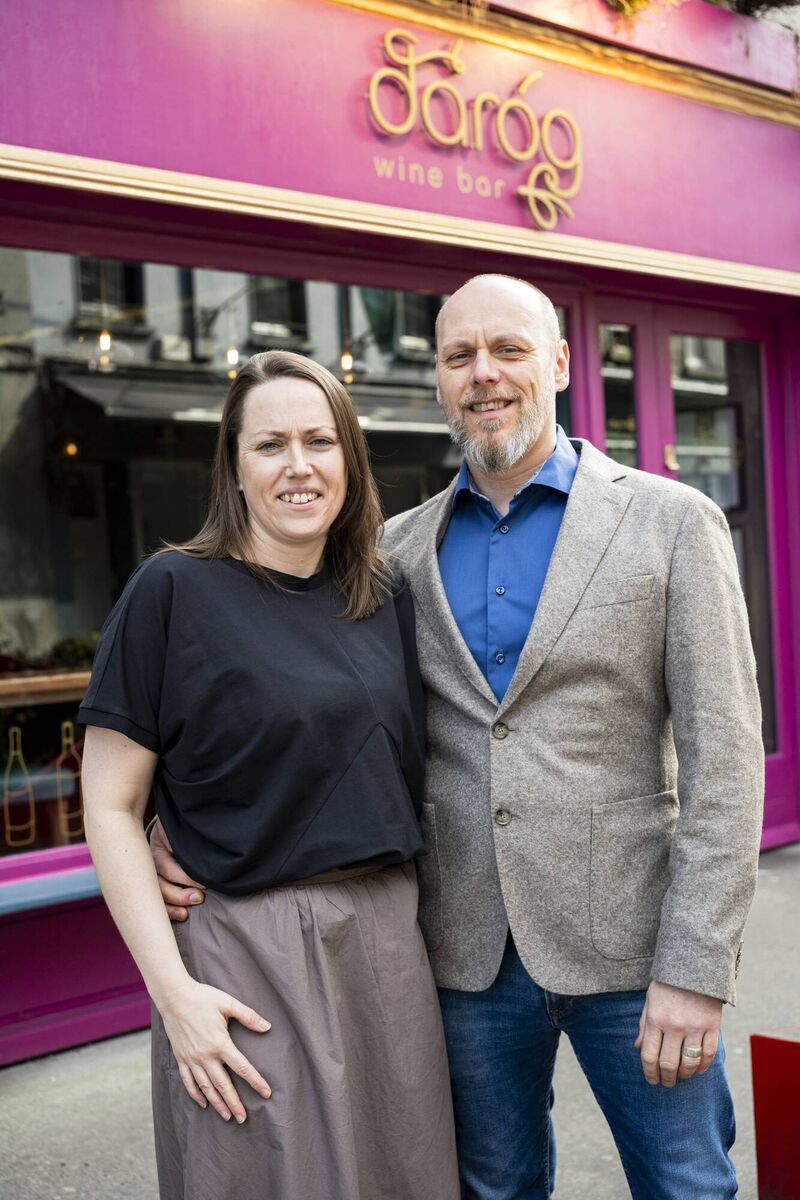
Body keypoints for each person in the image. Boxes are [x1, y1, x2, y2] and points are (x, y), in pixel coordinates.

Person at [152, 276, 764, 1200]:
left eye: (508, 350)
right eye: (458, 357)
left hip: (639, 955)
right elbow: (310, 707)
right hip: (461, 957)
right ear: (438, 380)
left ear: (557, 363)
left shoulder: (671, 522)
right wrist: (172, 818)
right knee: (491, 1191)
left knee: (688, 1187)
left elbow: (725, 763)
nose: (484, 374)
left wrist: (697, 967)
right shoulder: (390, 551)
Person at [79, 350, 460, 1200]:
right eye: (270, 445)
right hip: (246, 955)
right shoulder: (171, 590)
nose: (299, 466)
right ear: (234, 466)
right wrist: (173, 993)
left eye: (320, 441)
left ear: (349, 460)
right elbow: (108, 803)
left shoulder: (381, 593)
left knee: (406, 1177)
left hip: (388, 942)